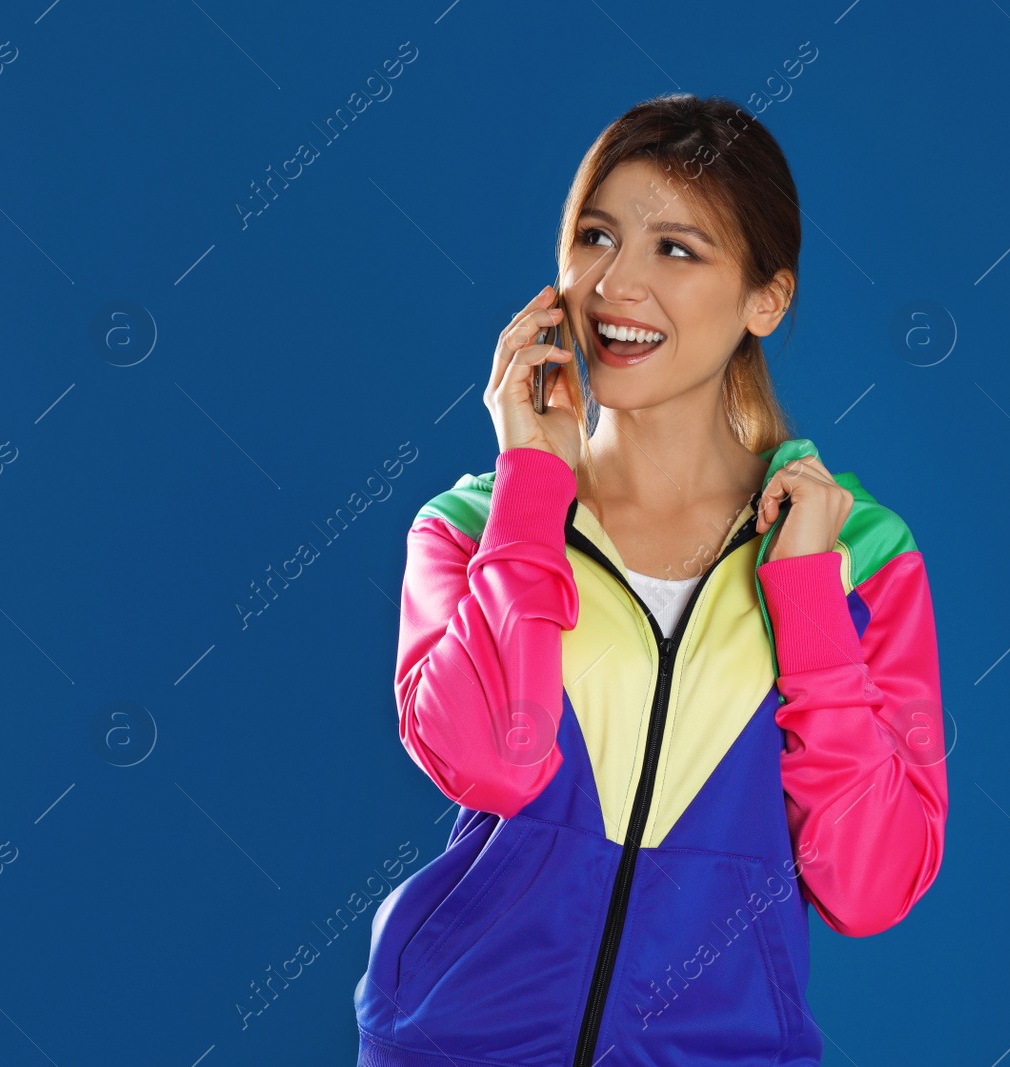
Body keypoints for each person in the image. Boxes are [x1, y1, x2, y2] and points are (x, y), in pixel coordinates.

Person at [355, 92, 948, 1067]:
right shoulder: (470, 526)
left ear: (767, 298)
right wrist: (531, 485)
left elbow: (871, 883)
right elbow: (486, 760)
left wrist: (805, 603)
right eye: (595, 236)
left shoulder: (860, 557)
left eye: (676, 248)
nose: (616, 283)